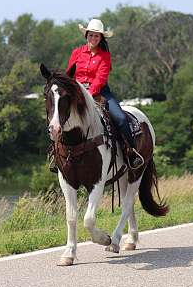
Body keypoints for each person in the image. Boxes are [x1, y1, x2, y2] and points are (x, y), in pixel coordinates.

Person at [50, 18, 143, 172]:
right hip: (76, 92)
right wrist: (73, 92)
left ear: (101, 38)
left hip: (100, 92)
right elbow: (69, 75)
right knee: (58, 117)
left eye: (97, 36)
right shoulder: (77, 53)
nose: (93, 39)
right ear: (86, 35)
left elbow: (100, 79)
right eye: (91, 35)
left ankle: (130, 151)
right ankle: (56, 155)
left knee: (119, 118)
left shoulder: (104, 56)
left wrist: (87, 95)